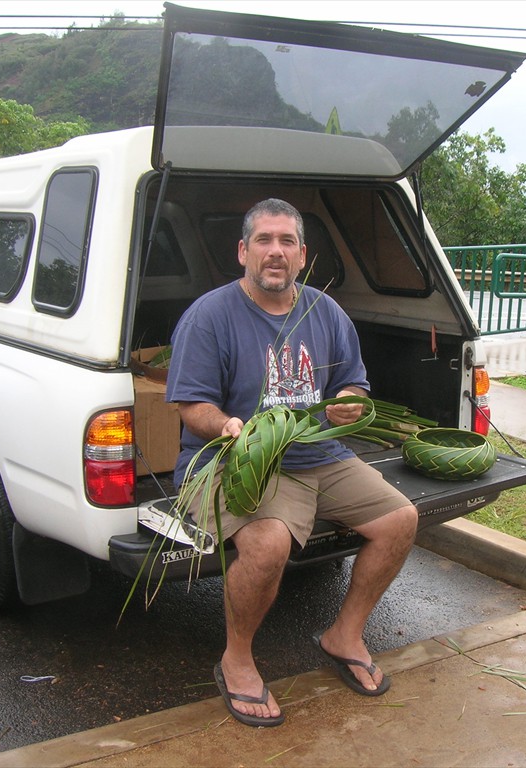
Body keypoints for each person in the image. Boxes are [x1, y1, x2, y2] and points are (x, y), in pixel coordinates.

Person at [165, 198, 419, 728]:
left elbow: (353, 382)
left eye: (286, 242)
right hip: (234, 459)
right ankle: (237, 659)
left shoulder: (325, 311)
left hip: (319, 452)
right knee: (268, 543)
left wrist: (350, 399)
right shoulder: (209, 316)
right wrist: (227, 426)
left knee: (401, 520)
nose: (275, 252)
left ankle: (343, 634)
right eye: (263, 240)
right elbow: (192, 408)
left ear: (302, 255)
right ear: (243, 252)